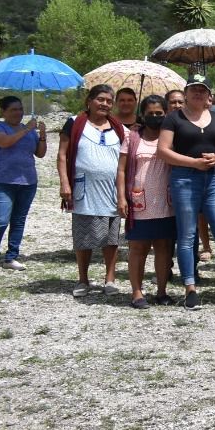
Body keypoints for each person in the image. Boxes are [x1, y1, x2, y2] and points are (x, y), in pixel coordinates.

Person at [158, 74, 215, 310]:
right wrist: (192, 162)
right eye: (193, 89)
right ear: (186, 93)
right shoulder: (174, 118)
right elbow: (163, 151)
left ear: (208, 95)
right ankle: (190, 288)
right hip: (185, 178)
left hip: (213, 179)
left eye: (202, 90)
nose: (197, 93)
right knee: (187, 236)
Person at [57, 85, 127, 297]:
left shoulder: (118, 127)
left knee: (112, 238)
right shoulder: (74, 123)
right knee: (83, 237)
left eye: (109, 100)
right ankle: (83, 279)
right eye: (100, 99)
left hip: (112, 189)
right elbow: (62, 155)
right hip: (84, 188)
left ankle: (110, 278)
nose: (105, 104)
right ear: (89, 100)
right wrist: (64, 183)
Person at [116, 95, 175, 308]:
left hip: (166, 201)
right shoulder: (132, 138)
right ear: (143, 114)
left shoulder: (171, 137)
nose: (155, 117)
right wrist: (121, 197)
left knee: (163, 247)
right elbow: (121, 169)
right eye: (150, 113)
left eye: (159, 113)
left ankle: (161, 291)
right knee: (138, 248)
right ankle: (137, 293)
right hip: (139, 202)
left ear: (166, 114)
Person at [0, 96, 46, 278]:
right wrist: (27, 129)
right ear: (3, 112)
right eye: (14, 110)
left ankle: (11, 257)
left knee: (18, 220)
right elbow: (5, 142)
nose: (18, 113)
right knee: (1, 221)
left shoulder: (30, 131)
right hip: (3, 181)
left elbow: (40, 154)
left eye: (20, 109)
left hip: (28, 181)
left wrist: (42, 135)